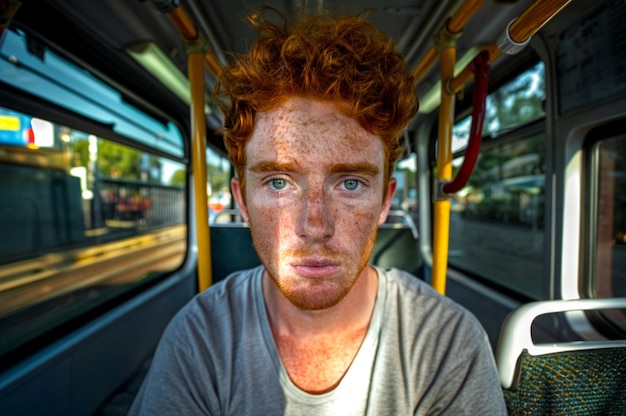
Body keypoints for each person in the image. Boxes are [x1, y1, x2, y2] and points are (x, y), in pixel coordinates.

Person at [129, 8, 507, 416]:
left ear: (383, 202)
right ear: (242, 203)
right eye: (278, 182)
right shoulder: (198, 339)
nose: (314, 226)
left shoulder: (447, 344)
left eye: (350, 183)